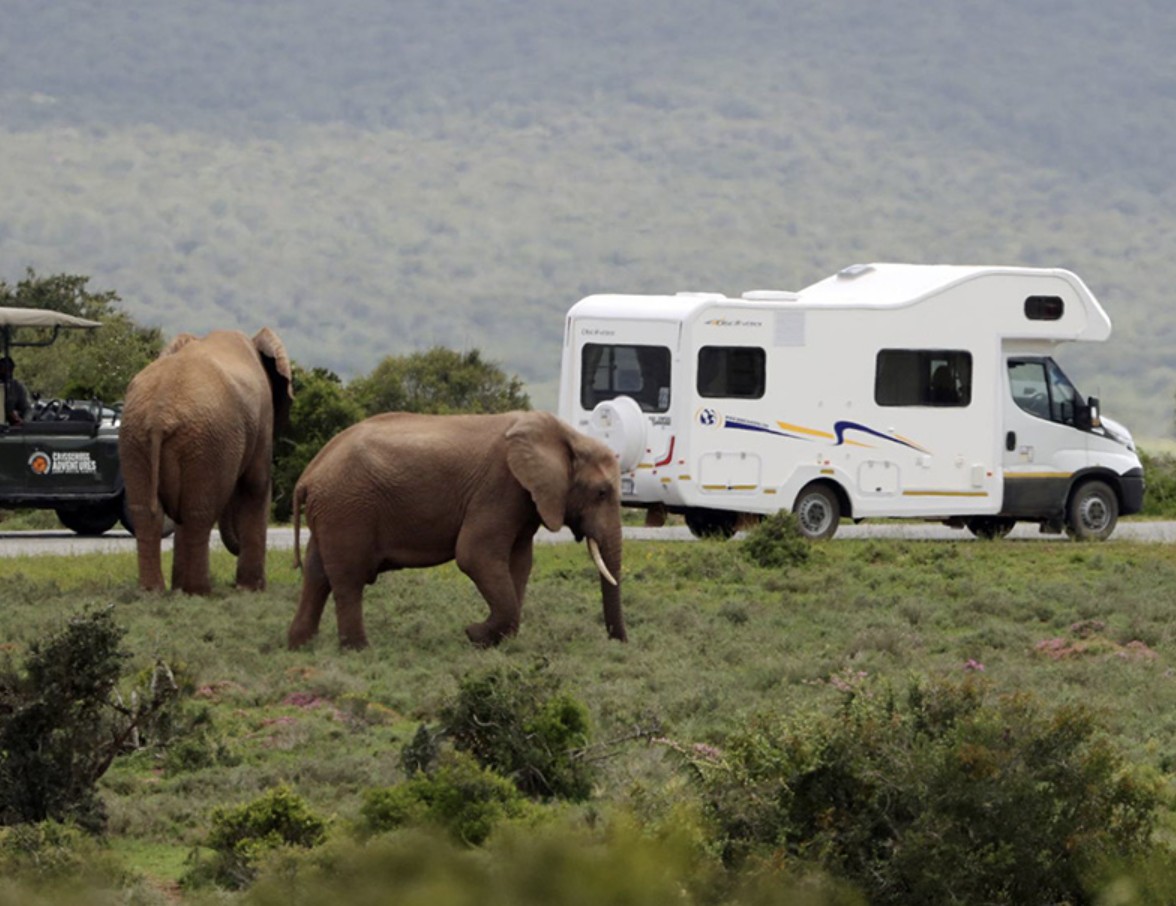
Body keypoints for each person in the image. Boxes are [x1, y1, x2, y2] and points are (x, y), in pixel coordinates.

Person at [0, 356, 31, 425]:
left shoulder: (16, 387)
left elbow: (27, 409)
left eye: (9, 369)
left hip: (12, 427)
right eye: (2, 369)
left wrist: (24, 422)